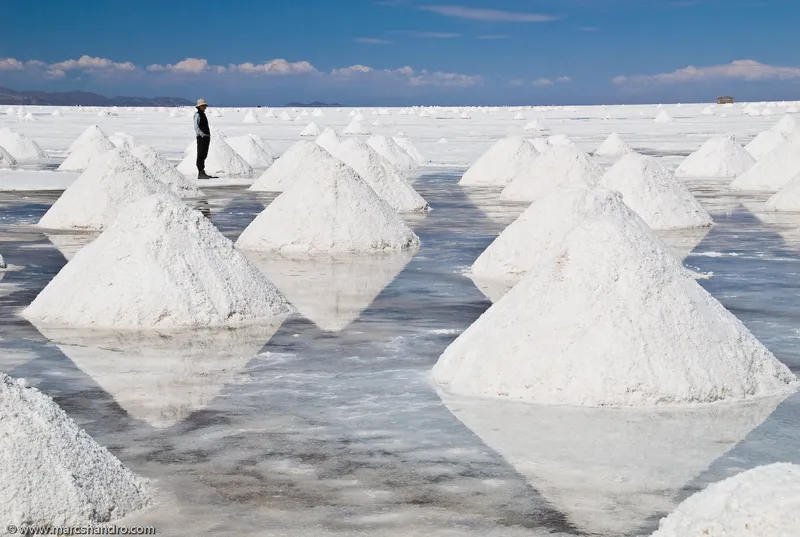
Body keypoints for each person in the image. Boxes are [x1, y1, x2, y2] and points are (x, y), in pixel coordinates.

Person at [193, 98, 216, 179]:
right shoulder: (197, 115)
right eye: (203, 106)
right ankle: (200, 172)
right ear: (199, 107)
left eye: (205, 106)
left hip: (206, 137)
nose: (205, 107)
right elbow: (196, 127)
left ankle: (202, 171)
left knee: (204, 154)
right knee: (200, 154)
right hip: (201, 138)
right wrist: (202, 134)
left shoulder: (203, 114)